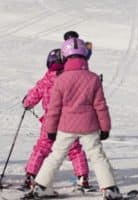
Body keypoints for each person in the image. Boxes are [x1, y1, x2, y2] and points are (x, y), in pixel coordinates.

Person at [25, 38, 123, 200]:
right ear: (84, 55)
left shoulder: (61, 79)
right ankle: (109, 189)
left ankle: (41, 187)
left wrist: (50, 129)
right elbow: (100, 106)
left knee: (56, 155)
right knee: (97, 156)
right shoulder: (93, 78)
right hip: (89, 127)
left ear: (65, 56)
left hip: (65, 126)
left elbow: (54, 109)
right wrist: (105, 127)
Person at [21, 49, 91, 191]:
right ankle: (82, 177)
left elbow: (33, 96)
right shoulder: (72, 78)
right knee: (74, 149)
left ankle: (31, 175)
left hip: (50, 120)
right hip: (69, 119)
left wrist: (27, 102)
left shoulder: (46, 80)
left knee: (42, 147)